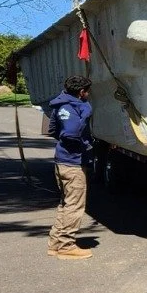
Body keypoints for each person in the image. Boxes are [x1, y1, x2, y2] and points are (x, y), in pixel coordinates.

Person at [46, 76, 94, 261]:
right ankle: (67, 246)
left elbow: (52, 130)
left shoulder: (60, 105)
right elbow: (71, 133)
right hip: (73, 164)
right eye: (87, 91)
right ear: (81, 92)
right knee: (74, 206)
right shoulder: (78, 107)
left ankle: (55, 244)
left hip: (61, 161)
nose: (88, 95)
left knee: (65, 204)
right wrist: (86, 146)